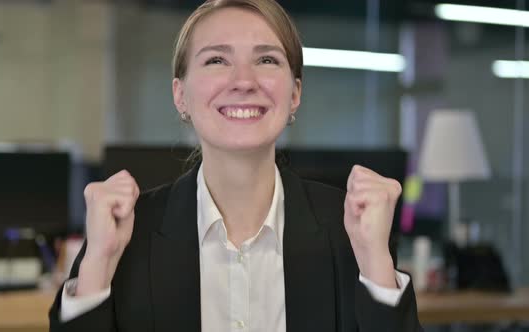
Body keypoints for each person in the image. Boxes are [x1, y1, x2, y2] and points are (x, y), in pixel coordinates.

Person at [49, 0, 423, 331]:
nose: (244, 81)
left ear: (294, 93)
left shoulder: (349, 232)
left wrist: (376, 262)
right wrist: (97, 262)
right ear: (181, 95)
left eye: (266, 60)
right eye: (216, 60)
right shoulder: (125, 236)